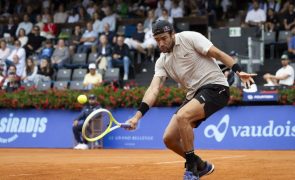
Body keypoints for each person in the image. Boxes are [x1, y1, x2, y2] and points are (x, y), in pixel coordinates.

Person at [125, 20, 256, 180]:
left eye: (164, 38)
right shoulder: (162, 61)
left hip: (216, 87)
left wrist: (238, 71)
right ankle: (201, 165)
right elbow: (154, 89)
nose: (161, 43)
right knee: (169, 139)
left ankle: (192, 170)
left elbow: (218, 54)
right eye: (157, 39)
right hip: (194, 94)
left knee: (183, 116)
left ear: (172, 34)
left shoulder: (189, 37)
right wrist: (137, 117)